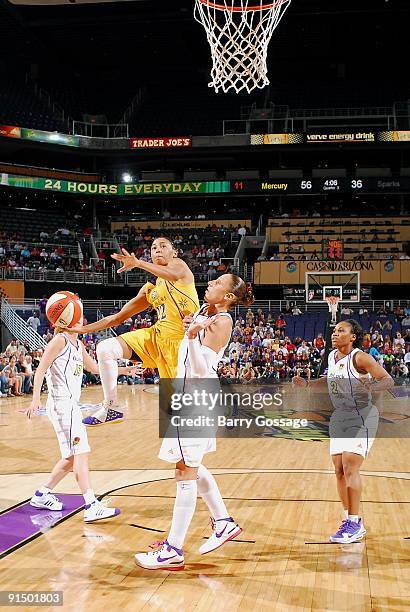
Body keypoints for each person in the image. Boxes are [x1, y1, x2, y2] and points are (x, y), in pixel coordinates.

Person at [134, 274, 254, 571]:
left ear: (227, 296)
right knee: (191, 466)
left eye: (217, 283)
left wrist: (191, 336)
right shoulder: (203, 313)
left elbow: (202, 369)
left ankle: (173, 549)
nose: (210, 283)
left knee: (185, 473)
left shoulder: (222, 321)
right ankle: (223, 522)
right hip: (184, 394)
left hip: (197, 396)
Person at [69, 238, 200, 426]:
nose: (158, 250)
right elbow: (117, 318)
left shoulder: (179, 266)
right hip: (156, 338)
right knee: (105, 348)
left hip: (180, 346)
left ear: (174, 252)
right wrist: (83, 329)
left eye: (163, 246)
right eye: (154, 247)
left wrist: (138, 263)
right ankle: (111, 407)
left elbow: (172, 274)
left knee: (179, 416)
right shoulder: (151, 290)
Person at [23, 322, 140, 521]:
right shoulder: (59, 341)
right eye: (78, 318)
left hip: (70, 405)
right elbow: (41, 369)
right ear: (66, 319)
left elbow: (94, 368)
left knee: (70, 457)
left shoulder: (79, 344)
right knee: (81, 452)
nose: (82, 321)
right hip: (61, 404)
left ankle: (42, 495)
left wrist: (122, 371)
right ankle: (91, 504)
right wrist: (35, 399)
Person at [293, 319, 393, 543]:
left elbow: (388, 380)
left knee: (349, 465)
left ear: (353, 337)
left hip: (362, 415)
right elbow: (329, 381)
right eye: (335, 330)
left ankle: (355, 522)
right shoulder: (331, 357)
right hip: (340, 416)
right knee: (338, 469)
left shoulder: (360, 358)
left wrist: (372, 386)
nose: (335, 334)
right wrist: (308, 385)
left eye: (341, 331)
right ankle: (349, 518)